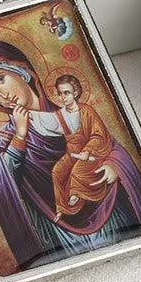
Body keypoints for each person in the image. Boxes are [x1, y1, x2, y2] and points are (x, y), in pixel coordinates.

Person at [0, 41, 141, 271]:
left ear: (23, 72)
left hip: (105, 204)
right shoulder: (5, 138)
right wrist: (20, 135)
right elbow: (2, 183)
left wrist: (114, 166)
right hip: (57, 227)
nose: (1, 94)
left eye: (1, 79)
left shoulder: (74, 112)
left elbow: (108, 144)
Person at [49, 75, 113, 222]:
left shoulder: (87, 111)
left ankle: (75, 195)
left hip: (91, 154)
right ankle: (62, 208)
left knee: (77, 171)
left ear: (76, 93)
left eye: (66, 93)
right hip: (72, 154)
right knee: (57, 172)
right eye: (60, 93)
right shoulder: (60, 114)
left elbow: (99, 135)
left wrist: (87, 150)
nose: (63, 97)